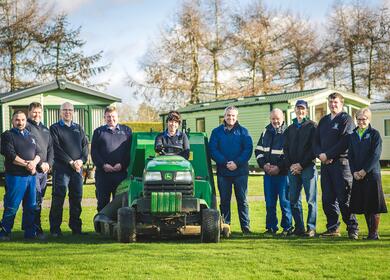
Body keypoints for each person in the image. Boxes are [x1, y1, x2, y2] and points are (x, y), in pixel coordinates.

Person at [314, 92, 359, 239]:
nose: (333, 105)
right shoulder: (324, 120)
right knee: (328, 198)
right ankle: (333, 228)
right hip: (326, 166)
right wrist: (321, 155)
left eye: (336, 102)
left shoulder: (346, 120)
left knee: (344, 198)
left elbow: (345, 141)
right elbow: (315, 142)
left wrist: (328, 155)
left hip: (341, 165)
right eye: (331, 102)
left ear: (342, 103)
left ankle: (352, 228)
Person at [209, 106, 253, 234]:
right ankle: (225, 227)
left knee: (243, 201)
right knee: (224, 201)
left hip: (240, 172)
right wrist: (225, 162)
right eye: (228, 115)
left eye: (233, 115)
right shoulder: (216, 132)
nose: (231, 118)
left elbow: (248, 150)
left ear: (236, 117)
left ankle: (246, 227)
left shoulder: (244, 132)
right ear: (224, 116)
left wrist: (236, 163)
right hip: (224, 172)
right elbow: (213, 149)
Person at [49, 102, 89, 236]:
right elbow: (56, 148)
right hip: (61, 170)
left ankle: (76, 228)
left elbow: (85, 147)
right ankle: (55, 229)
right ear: (60, 112)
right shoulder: (54, 128)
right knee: (58, 198)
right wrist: (70, 161)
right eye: (65, 110)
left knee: (76, 199)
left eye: (70, 110)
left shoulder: (78, 128)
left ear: (73, 112)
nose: (67, 112)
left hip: (77, 171)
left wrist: (81, 160)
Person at [0, 111, 41, 241]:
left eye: (23, 120)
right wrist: (26, 164)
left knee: (31, 206)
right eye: (17, 120)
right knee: (12, 205)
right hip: (16, 176)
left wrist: (33, 163)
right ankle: (5, 231)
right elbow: (10, 154)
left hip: (31, 177)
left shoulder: (31, 136)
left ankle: (30, 232)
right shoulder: (8, 135)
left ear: (26, 121)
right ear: (13, 121)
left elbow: (39, 153)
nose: (20, 122)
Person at [348, 108, 387, 240]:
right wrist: (354, 172)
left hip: (371, 174)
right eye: (358, 119)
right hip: (358, 175)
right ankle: (371, 233)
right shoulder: (352, 135)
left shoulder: (375, 134)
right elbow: (351, 156)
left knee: (374, 204)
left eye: (364, 119)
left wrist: (364, 171)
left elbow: (375, 155)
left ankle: (374, 233)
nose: (361, 121)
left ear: (369, 119)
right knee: (365, 204)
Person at [255, 108, 292, 236]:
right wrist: (264, 165)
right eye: (273, 119)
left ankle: (287, 228)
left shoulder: (288, 132)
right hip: (268, 174)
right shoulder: (266, 131)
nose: (275, 121)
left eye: (277, 118)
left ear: (283, 118)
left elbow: (289, 155)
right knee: (270, 203)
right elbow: (258, 151)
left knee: (284, 202)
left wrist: (279, 168)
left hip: (283, 174)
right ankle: (271, 227)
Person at [283, 100, 317, 237]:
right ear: (295, 110)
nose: (300, 111)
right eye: (298, 108)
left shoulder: (312, 126)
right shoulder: (290, 129)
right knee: (294, 199)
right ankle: (299, 228)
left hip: (308, 167)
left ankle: (311, 228)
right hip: (293, 169)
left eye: (303, 109)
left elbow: (313, 149)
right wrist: (291, 165)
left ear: (307, 111)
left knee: (310, 200)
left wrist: (301, 165)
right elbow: (285, 149)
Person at [21, 102, 54, 238]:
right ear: (29, 112)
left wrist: (49, 164)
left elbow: (51, 148)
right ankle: (35, 228)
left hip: (44, 171)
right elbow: (28, 149)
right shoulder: (26, 127)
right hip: (33, 170)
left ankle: (31, 226)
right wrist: (40, 163)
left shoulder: (46, 129)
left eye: (39, 112)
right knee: (33, 200)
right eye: (34, 112)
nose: (37, 115)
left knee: (40, 200)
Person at [91, 106, 132, 212]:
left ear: (117, 117)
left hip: (121, 174)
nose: (111, 119)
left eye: (113, 116)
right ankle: (101, 228)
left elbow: (129, 151)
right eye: (108, 117)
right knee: (102, 203)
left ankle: (118, 228)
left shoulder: (127, 131)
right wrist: (103, 165)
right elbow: (94, 153)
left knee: (120, 204)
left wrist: (122, 164)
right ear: (104, 118)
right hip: (103, 175)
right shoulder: (98, 132)